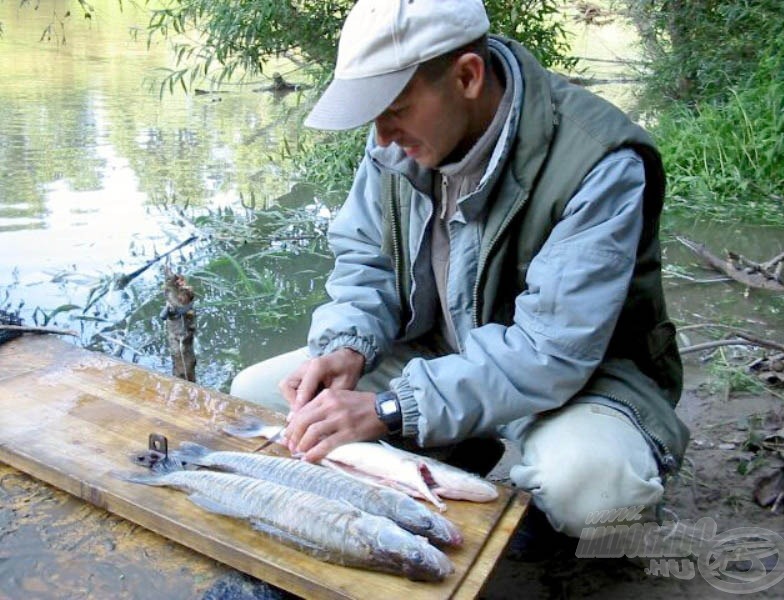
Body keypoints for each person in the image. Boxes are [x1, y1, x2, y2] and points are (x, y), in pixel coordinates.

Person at [231, 0, 689, 539]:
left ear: (468, 76)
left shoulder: (599, 162)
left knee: (595, 495)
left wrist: (391, 408)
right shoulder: (399, 139)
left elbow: (552, 353)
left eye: (394, 109)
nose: (380, 136)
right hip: (440, 353)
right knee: (256, 396)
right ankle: (459, 445)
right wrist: (348, 345)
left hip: (582, 378)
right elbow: (364, 259)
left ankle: (559, 513)